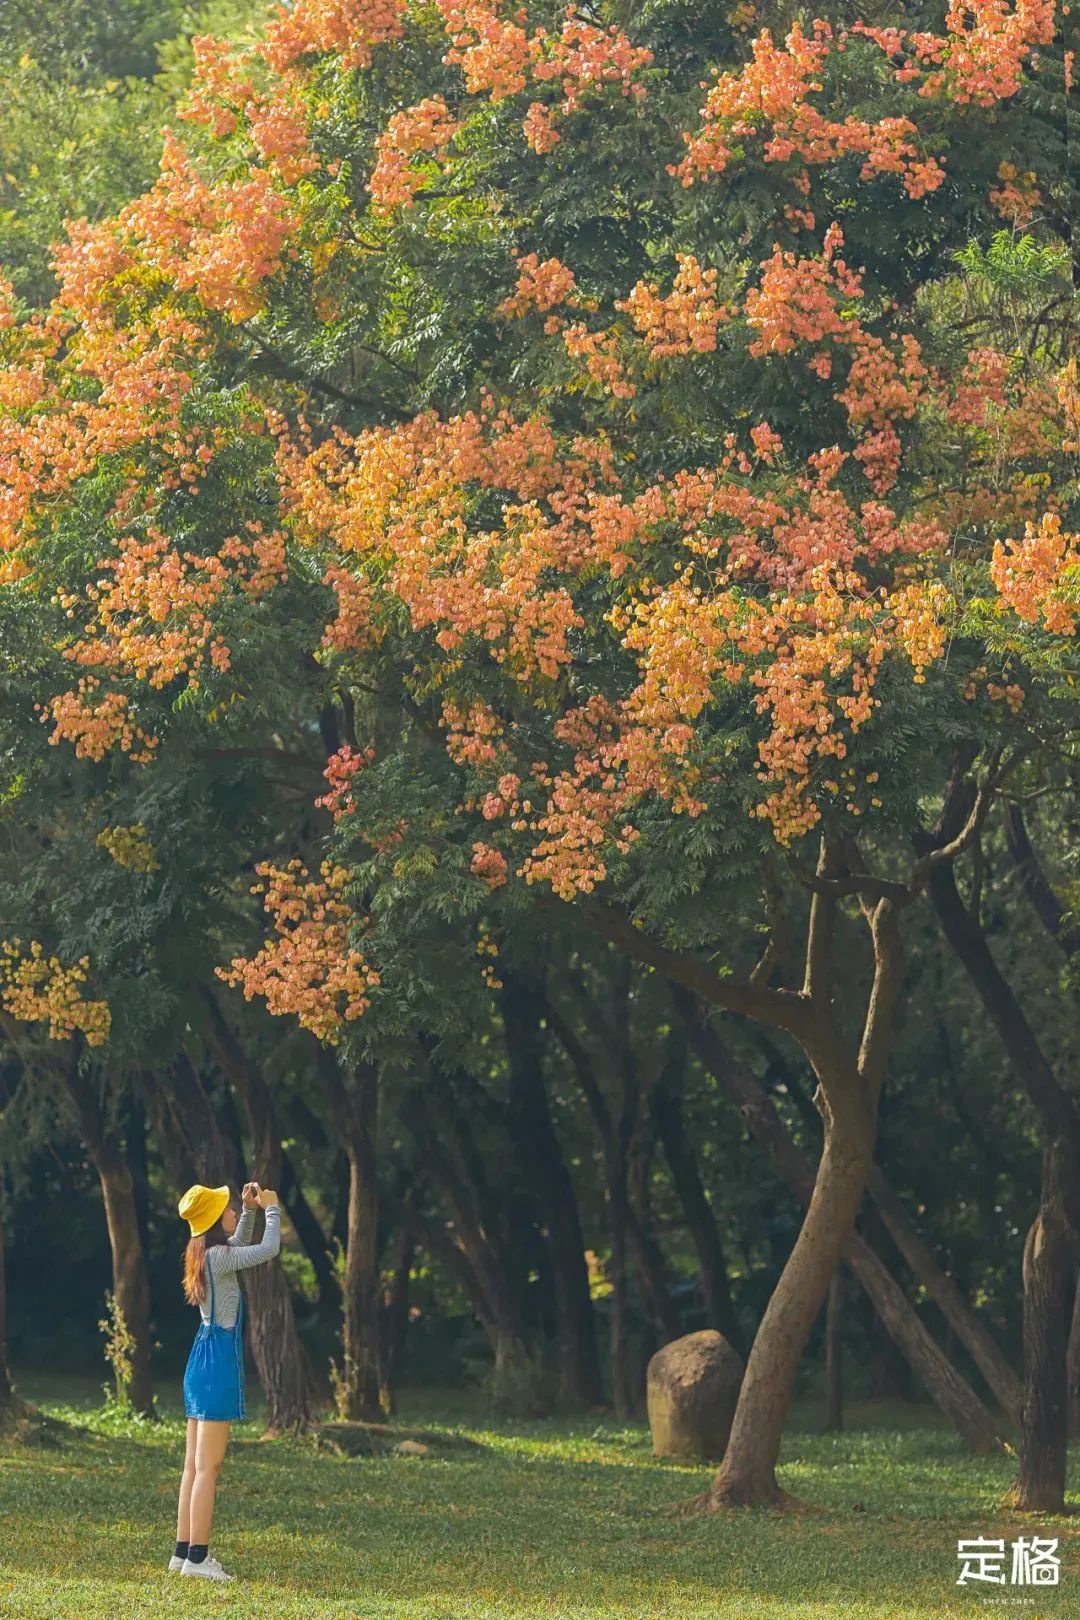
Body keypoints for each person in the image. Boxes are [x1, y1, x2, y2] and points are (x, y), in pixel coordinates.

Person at [171, 1178, 280, 1582]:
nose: (233, 1209)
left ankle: (182, 1553)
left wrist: (249, 1211)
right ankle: (198, 1559)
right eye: (228, 1207)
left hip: (200, 1360)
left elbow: (236, 1242)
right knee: (208, 1468)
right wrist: (272, 1208)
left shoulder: (204, 1252)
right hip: (217, 1363)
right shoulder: (219, 1257)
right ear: (216, 1220)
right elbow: (267, 1249)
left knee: (192, 1467)